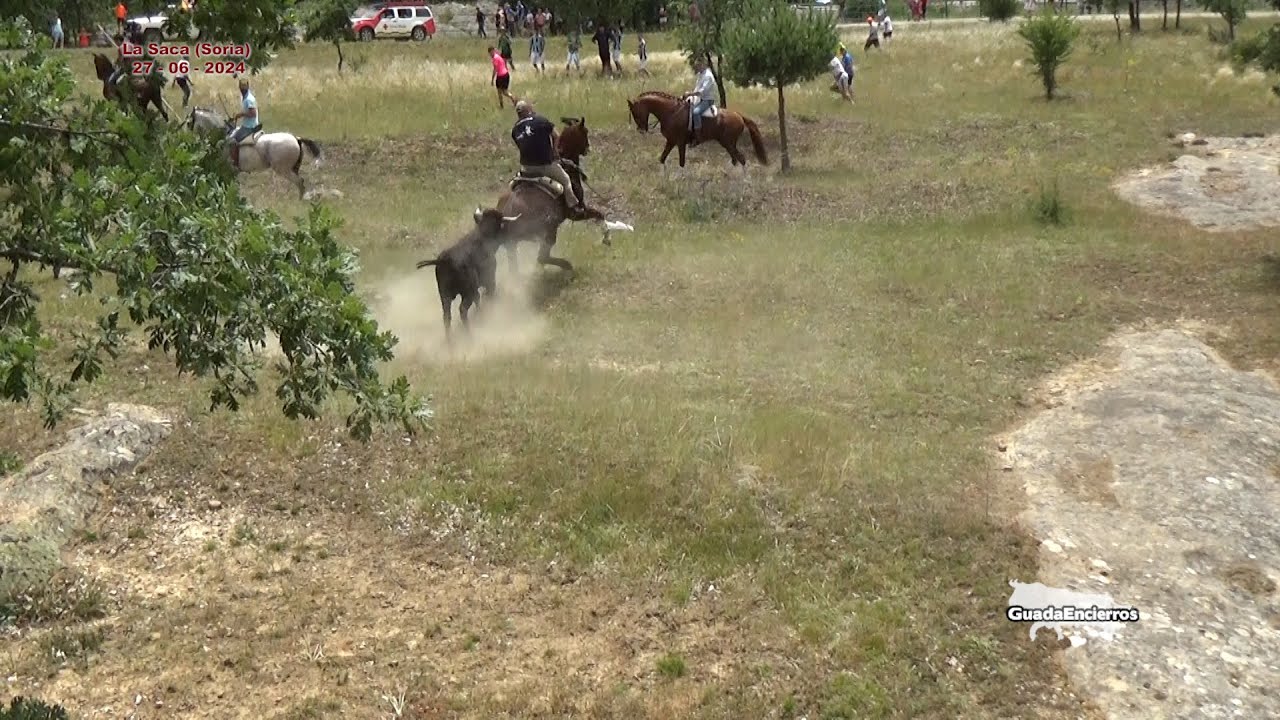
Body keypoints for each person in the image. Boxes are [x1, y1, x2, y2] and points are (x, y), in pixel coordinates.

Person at [511, 99, 586, 219]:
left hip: (526, 168)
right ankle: (574, 207)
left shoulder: (515, 129)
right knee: (566, 180)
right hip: (545, 165)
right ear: (529, 110)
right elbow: (556, 136)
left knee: (513, 185)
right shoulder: (541, 120)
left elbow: (521, 145)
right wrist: (555, 153)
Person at [228, 76, 260, 171]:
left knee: (232, 140)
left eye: (243, 89)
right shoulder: (246, 97)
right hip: (248, 124)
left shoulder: (249, 99)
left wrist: (240, 114)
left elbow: (253, 113)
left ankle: (235, 163)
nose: (242, 90)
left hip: (249, 126)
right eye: (242, 88)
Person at [684, 56, 717, 146]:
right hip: (699, 98)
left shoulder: (708, 76)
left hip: (707, 100)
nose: (697, 68)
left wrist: (691, 94)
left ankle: (698, 137)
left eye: (698, 66)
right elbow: (697, 88)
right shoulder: (701, 74)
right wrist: (690, 96)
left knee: (696, 112)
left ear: (703, 65)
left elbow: (703, 91)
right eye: (696, 66)